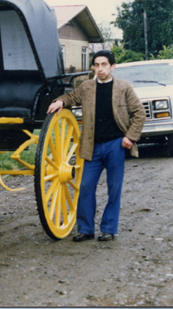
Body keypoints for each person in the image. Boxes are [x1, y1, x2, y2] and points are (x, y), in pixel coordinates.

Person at [46, 50, 145, 242]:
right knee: (85, 187)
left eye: (104, 64)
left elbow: (139, 113)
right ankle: (86, 229)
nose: (100, 69)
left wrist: (130, 137)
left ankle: (108, 229)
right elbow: (71, 97)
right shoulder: (87, 87)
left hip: (116, 145)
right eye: (97, 65)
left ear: (112, 66)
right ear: (93, 67)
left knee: (114, 188)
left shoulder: (124, 87)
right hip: (92, 146)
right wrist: (60, 101)